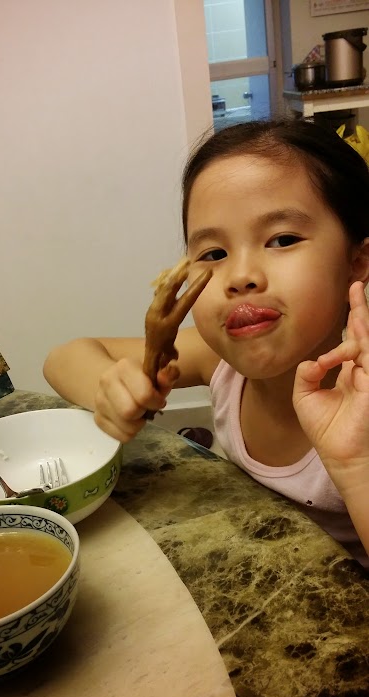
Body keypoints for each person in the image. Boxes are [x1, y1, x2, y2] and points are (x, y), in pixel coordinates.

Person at [44, 118, 369, 567]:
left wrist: (356, 466)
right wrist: (108, 388)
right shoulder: (220, 361)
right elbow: (63, 357)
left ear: (357, 260)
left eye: (282, 240)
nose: (240, 276)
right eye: (214, 253)